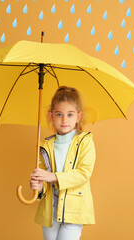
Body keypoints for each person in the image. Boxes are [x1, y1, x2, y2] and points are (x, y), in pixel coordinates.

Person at [30, 86, 96, 240]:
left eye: (70, 114)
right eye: (59, 114)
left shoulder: (85, 142)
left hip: (74, 209)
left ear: (78, 116)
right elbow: (45, 184)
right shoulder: (45, 146)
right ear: (51, 116)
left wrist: (52, 176)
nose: (64, 119)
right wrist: (38, 186)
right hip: (50, 210)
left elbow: (83, 174)